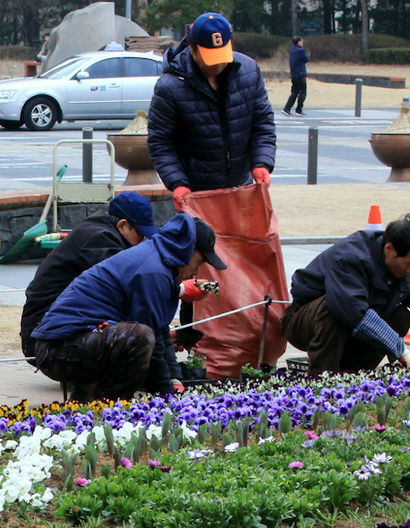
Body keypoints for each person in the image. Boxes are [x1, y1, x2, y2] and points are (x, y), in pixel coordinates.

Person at [30, 213, 226, 401]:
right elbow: (151, 336)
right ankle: (107, 409)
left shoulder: (157, 260)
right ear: (187, 249)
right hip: (58, 349)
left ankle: (85, 406)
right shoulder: (153, 271)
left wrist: (173, 380)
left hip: (68, 344)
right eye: (198, 262)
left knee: (138, 336)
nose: (195, 271)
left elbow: (160, 329)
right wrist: (167, 397)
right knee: (139, 338)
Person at [281, 213, 410, 374]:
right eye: (409, 264)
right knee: (333, 309)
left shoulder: (407, 269)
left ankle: (353, 374)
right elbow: (354, 313)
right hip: (303, 321)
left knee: (401, 316)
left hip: (350, 329)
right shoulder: (351, 258)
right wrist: (400, 348)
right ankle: (323, 379)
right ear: (389, 250)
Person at [147, 11, 276, 211]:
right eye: (210, 58)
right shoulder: (169, 87)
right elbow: (161, 142)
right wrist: (178, 183)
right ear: (192, 49)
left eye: (222, 55)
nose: (218, 64)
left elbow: (262, 125)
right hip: (196, 193)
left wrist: (261, 163)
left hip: (241, 186)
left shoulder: (249, 72)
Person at [19, 192, 160, 365]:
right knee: (134, 334)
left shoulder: (97, 229)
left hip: (44, 333)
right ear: (123, 225)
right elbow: (127, 289)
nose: (141, 242)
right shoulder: (101, 240)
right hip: (44, 340)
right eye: (141, 234)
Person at [282, 36, 308, 116]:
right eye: (301, 41)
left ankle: (287, 108)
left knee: (294, 92)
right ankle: (299, 109)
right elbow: (306, 59)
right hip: (300, 74)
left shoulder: (292, 50)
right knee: (302, 93)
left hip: (294, 74)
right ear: (299, 42)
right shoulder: (300, 50)